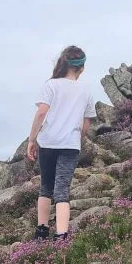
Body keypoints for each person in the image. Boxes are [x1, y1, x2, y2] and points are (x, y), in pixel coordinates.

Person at [27, 45, 97, 240]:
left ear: (63, 63)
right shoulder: (86, 92)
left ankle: (41, 231)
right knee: (62, 190)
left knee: (45, 187)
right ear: (81, 67)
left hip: (48, 143)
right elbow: (87, 122)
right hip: (70, 145)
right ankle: (61, 235)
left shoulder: (50, 85)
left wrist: (32, 140)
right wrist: (77, 137)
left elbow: (41, 112)